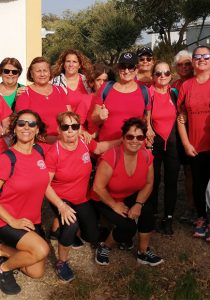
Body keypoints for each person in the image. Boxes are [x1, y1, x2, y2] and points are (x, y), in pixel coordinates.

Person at [45, 111, 120, 282]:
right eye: (65, 127)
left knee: (92, 236)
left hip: (81, 198)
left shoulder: (84, 143)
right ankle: (61, 262)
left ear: (79, 129)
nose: (70, 130)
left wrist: (124, 140)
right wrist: (61, 206)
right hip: (61, 198)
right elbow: (45, 185)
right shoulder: (53, 152)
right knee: (70, 225)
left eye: (74, 126)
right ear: (59, 130)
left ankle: (72, 231)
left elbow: (101, 147)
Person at [92, 117, 163, 266]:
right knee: (128, 227)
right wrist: (114, 205)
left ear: (144, 139)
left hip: (128, 194)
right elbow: (98, 187)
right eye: (130, 136)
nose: (135, 141)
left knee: (148, 209)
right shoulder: (111, 156)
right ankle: (105, 246)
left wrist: (138, 204)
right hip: (105, 198)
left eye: (139, 137)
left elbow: (149, 183)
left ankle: (143, 252)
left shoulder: (146, 155)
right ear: (123, 138)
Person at [177, 45, 210, 242]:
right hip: (195, 145)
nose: (201, 60)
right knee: (198, 184)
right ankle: (201, 217)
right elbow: (180, 117)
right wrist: (185, 143)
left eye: (205, 56)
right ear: (193, 62)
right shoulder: (186, 86)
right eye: (197, 57)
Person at [0, 110, 49, 295]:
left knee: (35, 271)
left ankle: (3, 249)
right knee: (42, 249)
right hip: (6, 220)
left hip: (30, 220)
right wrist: (12, 221)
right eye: (21, 123)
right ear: (14, 128)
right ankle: (3, 269)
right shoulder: (6, 159)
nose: (26, 127)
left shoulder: (39, 152)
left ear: (37, 130)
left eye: (31, 124)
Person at [147, 61, 180, 235]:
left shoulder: (174, 93)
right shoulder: (148, 93)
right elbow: (145, 115)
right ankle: (151, 215)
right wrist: (147, 127)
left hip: (173, 143)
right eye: (158, 73)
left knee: (172, 181)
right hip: (155, 142)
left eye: (166, 73)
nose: (162, 76)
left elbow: (182, 114)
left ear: (171, 75)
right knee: (153, 180)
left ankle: (168, 218)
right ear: (153, 76)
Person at [91, 51, 152, 143]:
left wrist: (149, 130)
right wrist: (100, 117)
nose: (126, 71)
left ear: (136, 70)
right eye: (123, 67)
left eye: (131, 67)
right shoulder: (106, 88)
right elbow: (94, 119)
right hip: (107, 149)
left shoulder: (144, 91)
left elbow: (147, 121)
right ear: (118, 68)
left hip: (133, 149)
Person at [15, 56, 70, 145]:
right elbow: (23, 125)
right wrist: (49, 139)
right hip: (38, 144)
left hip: (64, 141)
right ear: (32, 74)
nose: (42, 74)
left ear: (49, 73)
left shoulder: (60, 90)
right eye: (38, 71)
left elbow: (70, 116)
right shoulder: (25, 93)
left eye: (45, 70)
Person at [171, 50, 196, 224]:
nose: (185, 67)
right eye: (180, 64)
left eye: (188, 63)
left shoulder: (199, 82)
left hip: (197, 132)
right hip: (179, 133)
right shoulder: (173, 86)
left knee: (199, 172)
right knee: (188, 172)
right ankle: (191, 206)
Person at [52, 49, 93, 124]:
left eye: (74, 62)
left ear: (80, 65)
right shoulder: (54, 83)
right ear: (63, 64)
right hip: (65, 128)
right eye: (68, 61)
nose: (71, 64)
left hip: (87, 128)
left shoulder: (88, 82)